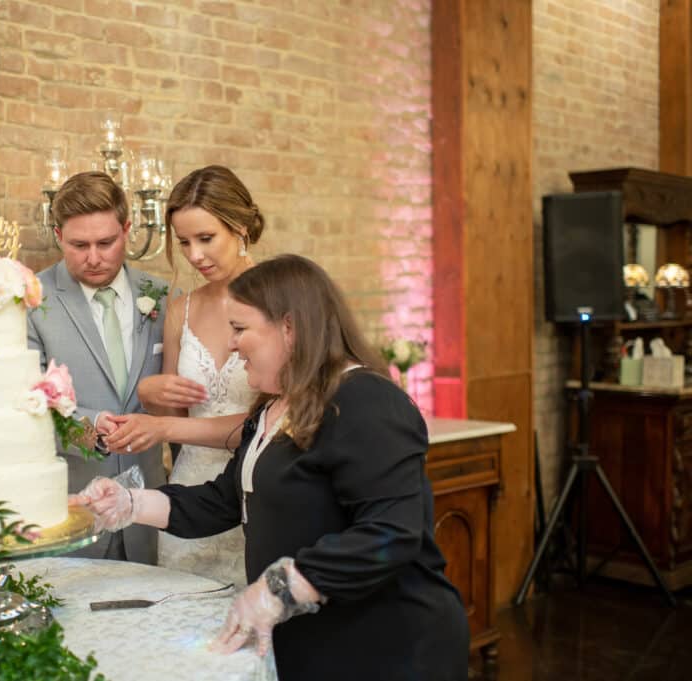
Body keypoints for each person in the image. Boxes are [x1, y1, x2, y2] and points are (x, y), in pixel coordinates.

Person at [74, 254, 470, 680]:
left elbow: (392, 533)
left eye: (241, 329)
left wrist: (285, 586)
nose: (231, 344)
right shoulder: (272, 407)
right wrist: (130, 503)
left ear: (290, 329)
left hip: (387, 643)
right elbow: (224, 502)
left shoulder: (366, 400)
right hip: (314, 639)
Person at [27, 171, 168, 564]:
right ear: (57, 235)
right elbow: (24, 404)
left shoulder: (160, 295)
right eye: (78, 245)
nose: (93, 257)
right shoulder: (32, 302)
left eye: (106, 243)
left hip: (149, 504)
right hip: (72, 504)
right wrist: (92, 429)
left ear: (126, 229)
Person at [133, 165, 262, 586]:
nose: (194, 256)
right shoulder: (180, 309)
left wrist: (162, 421)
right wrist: (151, 393)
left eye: (206, 239)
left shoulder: (279, 299)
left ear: (240, 227)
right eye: (184, 242)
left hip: (257, 491)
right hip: (190, 487)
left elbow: (280, 423)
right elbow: (176, 414)